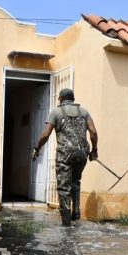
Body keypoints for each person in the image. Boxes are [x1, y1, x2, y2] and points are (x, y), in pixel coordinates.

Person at [32, 88, 98, 226]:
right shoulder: (84, 112)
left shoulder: (56, 112)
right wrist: (94, 150)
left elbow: (45, 135)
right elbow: (93, 132)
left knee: (63, 187)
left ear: (61, 98)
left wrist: (37, 148)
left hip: (65, 155)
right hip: (82, 154)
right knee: (75, 181)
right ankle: (76, 211)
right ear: (72, 99)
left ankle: (66, 225)